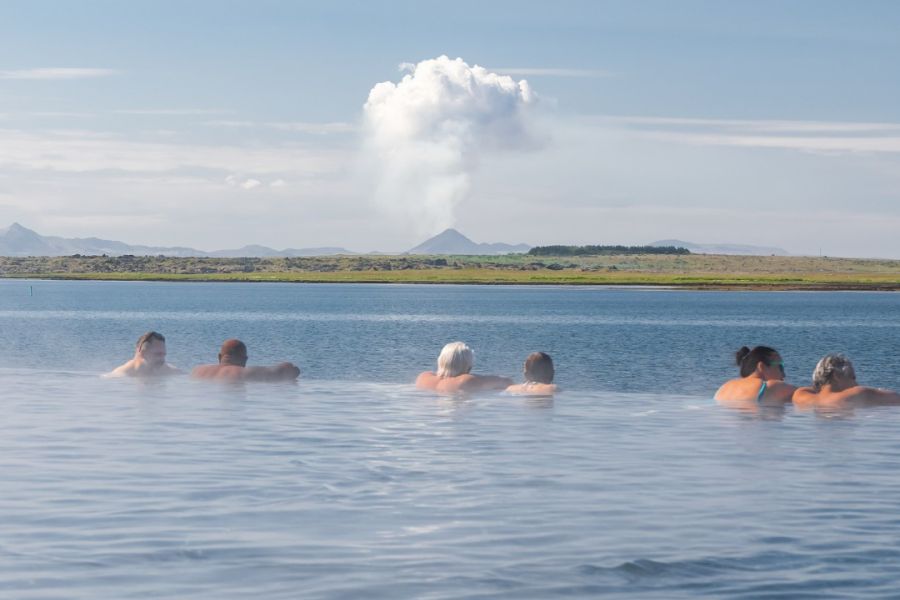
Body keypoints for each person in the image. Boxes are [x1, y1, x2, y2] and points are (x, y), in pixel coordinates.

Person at [792, 353, 900, 408]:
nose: (856, 383)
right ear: (836, 376)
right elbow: (896, 398)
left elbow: (815, 388)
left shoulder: (800, 395)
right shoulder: (857, 393)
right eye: (853, 378)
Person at [416, 341, 512, 393]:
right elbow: (506, 381)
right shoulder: (465, 381)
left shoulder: (423, 377)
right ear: (468, 366)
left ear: (440, 361)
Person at [714, 345, 795, 406]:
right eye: (780, 366)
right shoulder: (770, 387)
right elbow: (800, 395)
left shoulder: (723, 388)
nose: (784, 374)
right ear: (762, 367)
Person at [191, 339, 300, 382]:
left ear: (219, 357)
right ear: (245, 360)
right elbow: (286, 371)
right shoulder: (244, 372)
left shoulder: (197, 370)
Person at [105, 331, 181, 378]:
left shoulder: (167, 370)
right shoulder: (122, 375)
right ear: (142, 352)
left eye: (164, 355)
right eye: (158, 354)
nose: (162, 359)